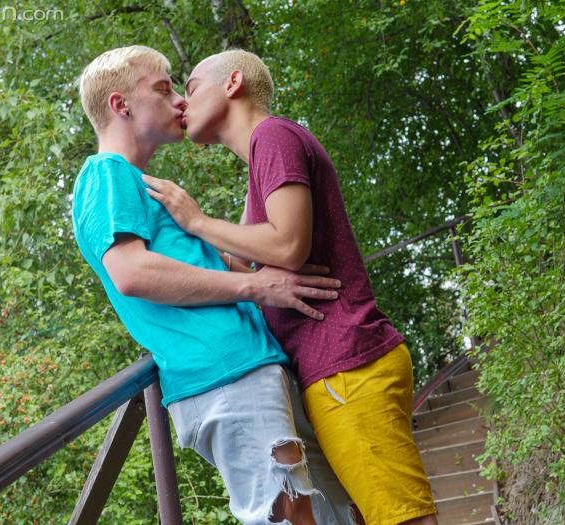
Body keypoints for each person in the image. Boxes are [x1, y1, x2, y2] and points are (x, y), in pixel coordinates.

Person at [144, 49, 439, 525]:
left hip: (345, 361)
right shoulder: (262, 160)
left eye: (192, 88)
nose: (182, 102)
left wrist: (197, 221)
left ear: (233, 83)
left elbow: (287, 245)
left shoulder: (273, 136)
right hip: (337, 366)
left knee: (401, 517)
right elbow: (246, 264)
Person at [71, 45, 356, 525]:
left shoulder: (142, 184)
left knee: (340, 513)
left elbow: (218, 263)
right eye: (164, 89)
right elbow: (132, 273)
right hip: (223, 375)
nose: (180, 101)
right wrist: (256, 288)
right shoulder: (105, 173)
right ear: (121, 105)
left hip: (250, 367)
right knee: (290, 517)